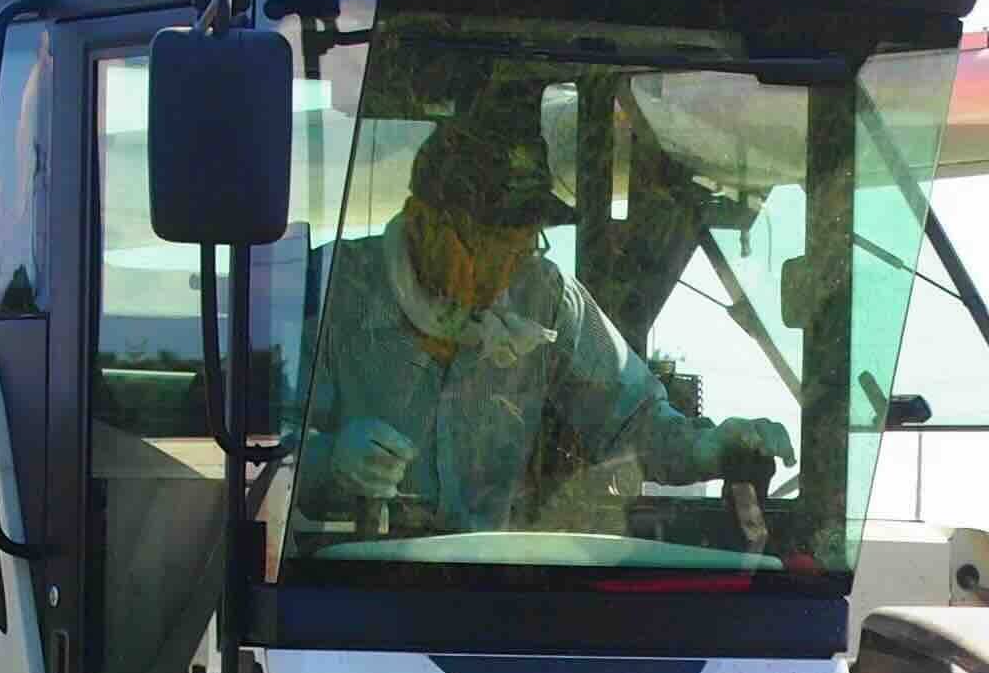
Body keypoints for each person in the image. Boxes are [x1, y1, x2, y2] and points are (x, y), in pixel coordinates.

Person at [295, 70, 792, 540]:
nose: (501, 275)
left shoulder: (544, 296)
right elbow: (268, 455)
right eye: (484, 248)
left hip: (485, 580)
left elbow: (632, 420)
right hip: (348, 578)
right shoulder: (330, 291)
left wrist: (707, 448)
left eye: (520, 249)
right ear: (423, 220)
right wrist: (325, 460)